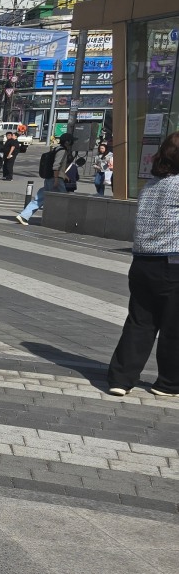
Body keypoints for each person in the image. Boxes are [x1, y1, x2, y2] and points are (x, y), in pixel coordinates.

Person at [107, 131, 179, 397]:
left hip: (142, 263)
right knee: (174, 325)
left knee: (140, 322)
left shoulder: (152, 185)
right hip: (173, 263)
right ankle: (169, 383)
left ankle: (120, 379)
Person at [15, 139, 70, 225]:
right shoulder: (62, 151)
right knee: (64, 200)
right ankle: (61, 221)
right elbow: (56, 166)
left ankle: (23, 216)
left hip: (49, 178)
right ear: (67, 142)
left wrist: (64, 175)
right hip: (56, 179)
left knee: (40, 198)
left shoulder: (56, 149)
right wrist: (56, 179)